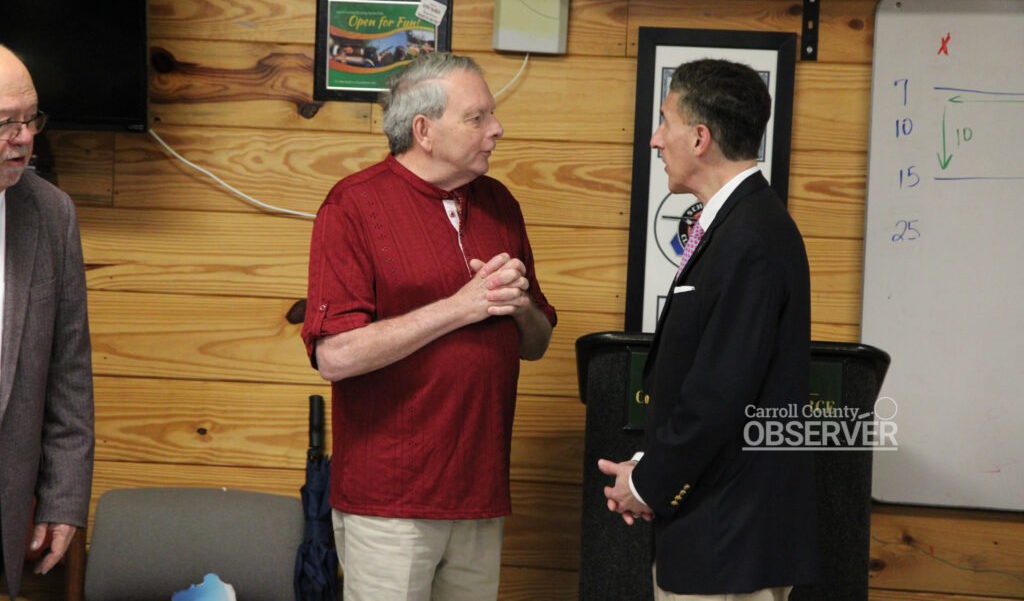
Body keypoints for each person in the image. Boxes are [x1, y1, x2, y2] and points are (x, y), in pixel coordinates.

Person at [301, 52, 556, 601]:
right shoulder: (353, 205)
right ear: (424, 130)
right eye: (477, 117)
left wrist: (518, 306)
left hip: (480, 496)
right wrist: (459, 307)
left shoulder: (500, 204)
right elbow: (335, 356)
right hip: (390, 504)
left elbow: (537, 342)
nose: (497, 128)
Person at [598, 59, 817, 600]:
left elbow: (721, 391)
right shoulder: (738, 222)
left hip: (729, 539)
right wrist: (650, 467)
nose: (654, 139)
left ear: (699, 138)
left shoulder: (750, 237)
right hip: (717, 527)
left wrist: (647, 484)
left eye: (664, 121)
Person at [0, 45, 94, 597]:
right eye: (5, 122)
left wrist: (63, 498)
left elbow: (68, 373)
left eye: (29, 118)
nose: (25, 137)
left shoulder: (52, 214)